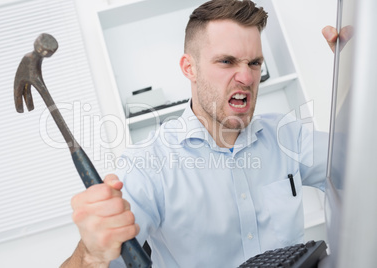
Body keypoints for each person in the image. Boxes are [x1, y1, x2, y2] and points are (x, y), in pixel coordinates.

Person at [61, 0, 339, 267]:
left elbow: (363, 166)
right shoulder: (147, 166)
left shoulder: (287, 136)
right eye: (227, 62)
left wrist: (355, 70)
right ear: (189, 68)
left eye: (254, 63)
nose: (246, 77)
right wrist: (91, 254)